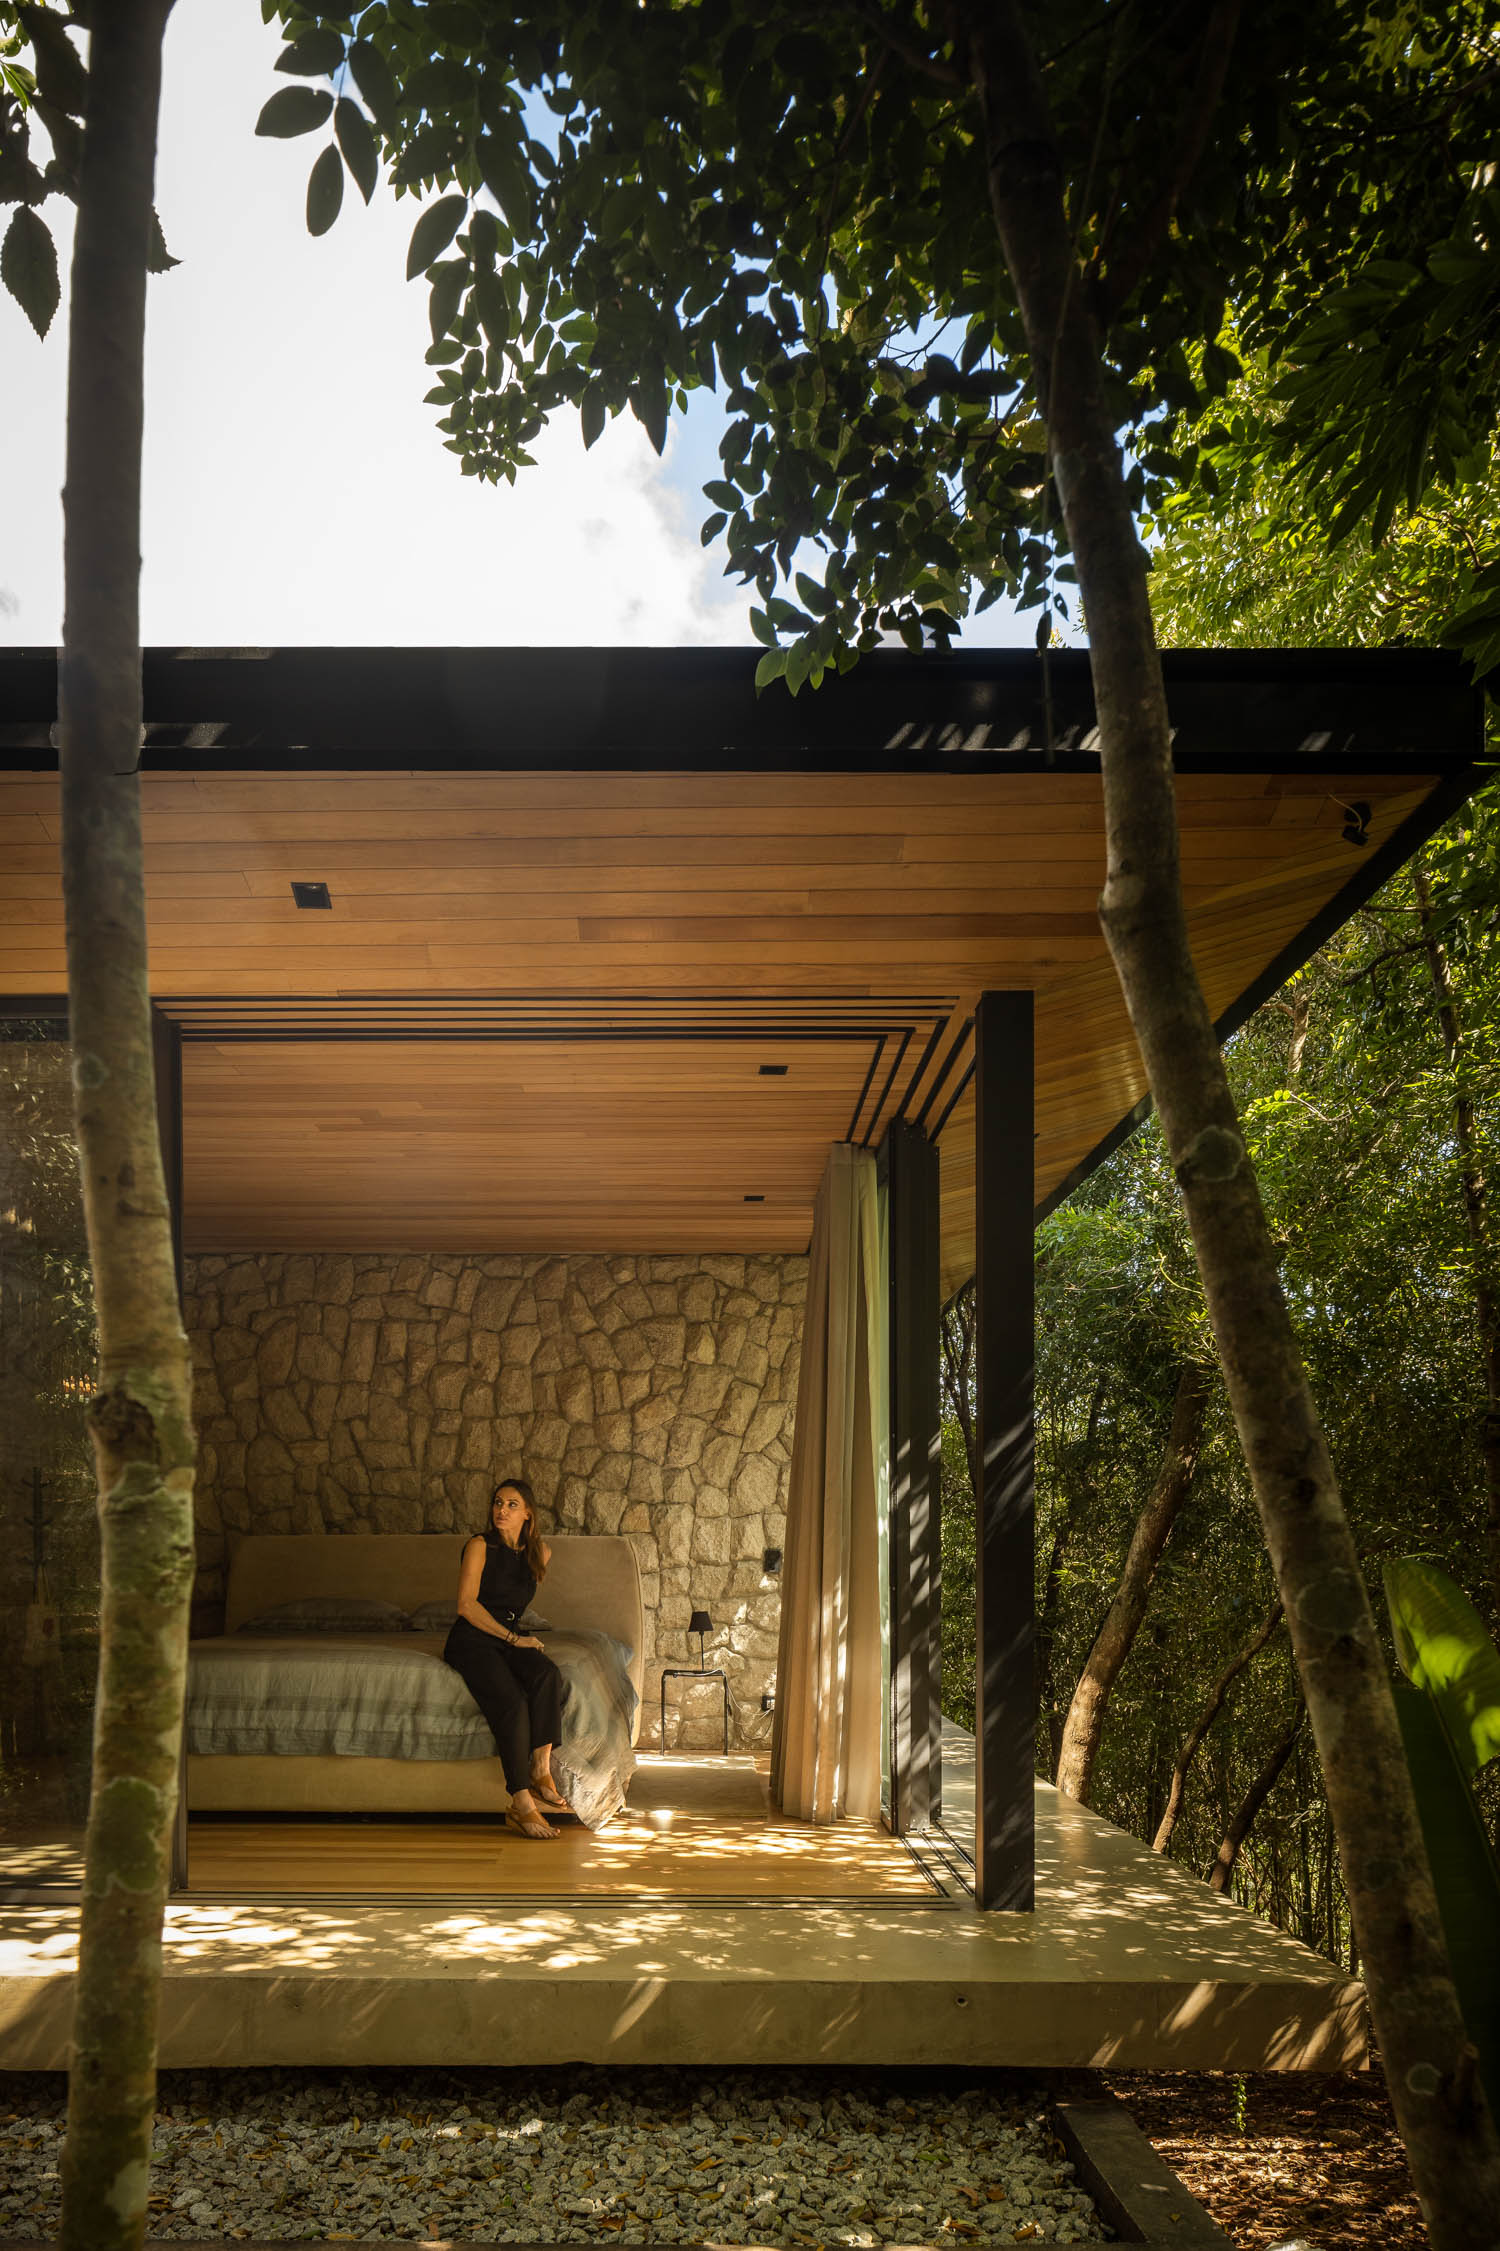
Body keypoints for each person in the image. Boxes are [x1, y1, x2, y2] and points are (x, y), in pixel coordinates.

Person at [443, 1478, 573, 1838]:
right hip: (472, 1640)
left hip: (508, 1638)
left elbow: (513, 1606)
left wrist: (517, 1640)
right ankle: (521, 1802)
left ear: (528, 1513)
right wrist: (514, 1638)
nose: (501, 1510)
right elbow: (466, 1605)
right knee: (513, 1702)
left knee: (547, 1675)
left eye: (512, 1505)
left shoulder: (539, 1554)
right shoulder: (479, 1545)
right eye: (498, 1503)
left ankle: (540, 1768)